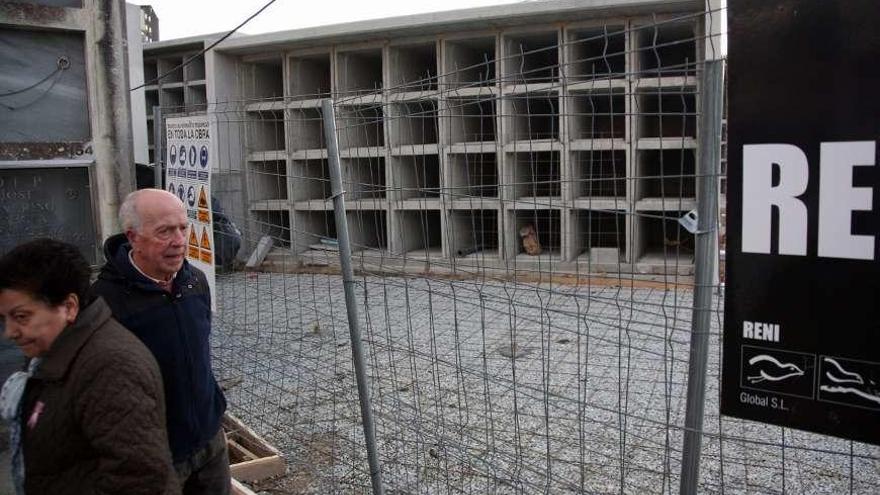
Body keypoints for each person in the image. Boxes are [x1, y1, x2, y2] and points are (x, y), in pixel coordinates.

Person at [0, 239, 178, 494]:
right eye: (4, 319)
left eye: (21, 317)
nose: (10, 332)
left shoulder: (111, 369)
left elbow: (140, 482)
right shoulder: (50, 352)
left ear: (69, 307)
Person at [91, 188, 230, 494]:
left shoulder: (194, 281)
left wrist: (213, 414)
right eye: (165, 231)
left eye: (183, 228)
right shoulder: (105, 303)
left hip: (210, 443)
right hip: (156, 457)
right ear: (133, 237)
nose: (179, 241)